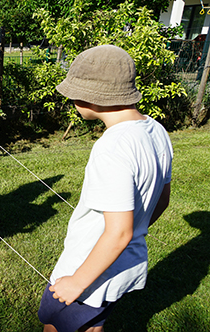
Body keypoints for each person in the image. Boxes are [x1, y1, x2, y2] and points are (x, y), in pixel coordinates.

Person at [37, 45, 173, 332]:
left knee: (54, 325)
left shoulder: (111, 146)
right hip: (124, 260)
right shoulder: (157, 131)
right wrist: (134, 231)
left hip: (88, 265)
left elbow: (119, 231)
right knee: (93, 324)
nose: (71, 98)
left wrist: (77, 281)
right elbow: (162, 199)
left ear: (92, 97)